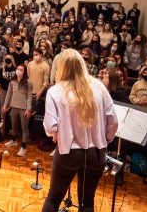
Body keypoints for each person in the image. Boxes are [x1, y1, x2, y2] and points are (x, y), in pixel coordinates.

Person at [41, 49, 118, 212]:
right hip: (97, 151)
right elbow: (113, 121)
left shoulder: (55, 91)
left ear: (61, 67)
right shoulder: (99, 87)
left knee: (54, 197)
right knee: (87, 201)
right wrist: (105, 140)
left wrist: (56, 135)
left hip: (69, 152)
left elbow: (49, 127)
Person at [2, 64, 33, 157]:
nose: (19, 70)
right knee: (13, 125)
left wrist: (28, 109)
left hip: (23, 108)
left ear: (24, 72)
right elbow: (8, 94)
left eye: (21, 69)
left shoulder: (28, 82)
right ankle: (14, 140)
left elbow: (29, 97)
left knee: (24, 128)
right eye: (18, 69)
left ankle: (23, 146)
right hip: (14, 106)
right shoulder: (12, 81)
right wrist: (4, 105)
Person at [0, 55, 17, 129]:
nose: (8, 60)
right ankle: (2, 121)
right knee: (2, 105)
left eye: (10, 58)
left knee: (11, 105)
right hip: (4, 89)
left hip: (13, 91)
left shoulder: (15, 69)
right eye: (6, 58)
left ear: (12, 60)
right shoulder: (1, 69)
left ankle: (10, 122)